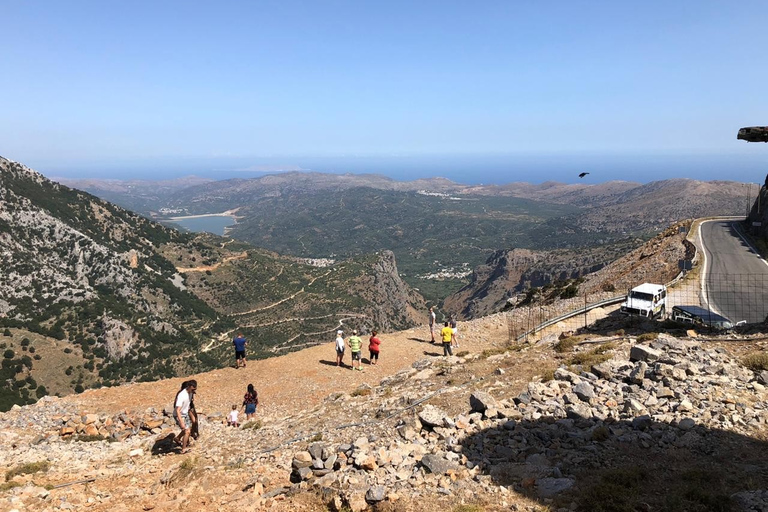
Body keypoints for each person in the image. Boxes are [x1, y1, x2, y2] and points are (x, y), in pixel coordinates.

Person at [174, 380, 197, 454]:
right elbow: (177, 410)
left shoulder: (190, 393)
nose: (194, 391)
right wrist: (181, 422)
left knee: (186, 430)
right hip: (179, 414)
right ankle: (183, 449)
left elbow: (188, 404)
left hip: (185, 413)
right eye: (193, 389)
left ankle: (177, 438)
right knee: (187, 431)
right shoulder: (181, 395)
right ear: (189, 387)